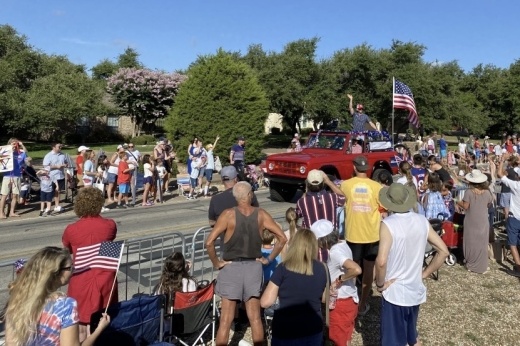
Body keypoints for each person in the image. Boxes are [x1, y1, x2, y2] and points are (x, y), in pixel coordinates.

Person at [206, 181, 287, 346]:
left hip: (231, 268)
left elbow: (209, 242)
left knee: (226, 320)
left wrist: (217, 263)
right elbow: (282, 238)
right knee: (255, 317)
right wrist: (269, 259)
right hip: (253, 267)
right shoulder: (261, 214)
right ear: (250, 195)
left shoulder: (228, 214)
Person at [375, 183, 449, 346]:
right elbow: (443, 251)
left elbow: (381, 261)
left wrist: (380, 284)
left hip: (394, 292)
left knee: (393, 341)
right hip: (414, 289)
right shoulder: (421, 220)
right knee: (412, 337)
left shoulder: (388, 224)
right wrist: (424, 273)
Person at [4, 247, 111, 345]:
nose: (73, 270)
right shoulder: (65, 305)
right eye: (70, 268)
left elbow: (10, 343)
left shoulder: (16, 299)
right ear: (55, 272)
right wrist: (98, 330)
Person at [62, 187, 118, 341]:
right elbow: (110, 240)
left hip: (81, 279)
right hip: (105, 278)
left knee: (79, 327)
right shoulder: (109, 225)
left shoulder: (71, 229)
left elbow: (67, 247)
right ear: (99, 204)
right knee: (102, 324)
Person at [260, 228, 326, 345]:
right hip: (313, 327)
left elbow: (265, 302)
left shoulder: (283, 268)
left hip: (286, 328)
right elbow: (325, 298)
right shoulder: (322, 268)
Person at [340, 155, 383, 316]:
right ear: (368, 168)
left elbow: (338, 195)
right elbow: (383, 209)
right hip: (372, 234)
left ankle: (351, 299)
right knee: (368, 271)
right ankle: (363, 303)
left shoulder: (346, 185)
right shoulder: (376, 186)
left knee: (352, 269)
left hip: (353, 235)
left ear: (354, 167)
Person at [311, 220, 361, 346]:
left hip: (340, 302)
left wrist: (338, 280)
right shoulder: (343, 244)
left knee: (337, 338)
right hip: (350, 299)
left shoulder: (335, 253)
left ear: (324, 240)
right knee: (346, 337)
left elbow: (356, 269)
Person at [455, 170, 493, 274]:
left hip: (472, 219)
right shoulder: (487, 192)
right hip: (483, 219)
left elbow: (466, 206)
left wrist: (457, 201)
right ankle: (482, 265)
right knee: (482, 242)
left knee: (471, 242)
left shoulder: (469, 192)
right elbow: (489, 203)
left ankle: (471, 264)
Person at [497, 153, 520, 276]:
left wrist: (502, 160)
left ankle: (518, 268)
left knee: (512, 244)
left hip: (515, 217)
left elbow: (500, 174)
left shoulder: (516, 185)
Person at [0, 139, 28, 219]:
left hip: (17, 176)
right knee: (4, 195)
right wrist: (10, 147)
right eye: (14, 144)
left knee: (15, 195)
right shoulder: (6, 152)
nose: (16, 145)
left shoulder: (21, 153)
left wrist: (22, 145)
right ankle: (1, 213)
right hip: (7, 176)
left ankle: (12, 212)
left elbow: (26, 154)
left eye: (16, 144)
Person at [43, 143, 67, 213]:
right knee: (50, 191)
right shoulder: (48, 155)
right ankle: (48, 207)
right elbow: (45, 165)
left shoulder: (62, 155)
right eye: (59, 147)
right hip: (51, 176)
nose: (60, 148)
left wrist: (65, 164)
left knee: (58, 191)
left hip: (60, 175)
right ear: (53, 147)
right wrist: (56, 166)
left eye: (61, 146)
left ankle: (57, 206)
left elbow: (66, 162)